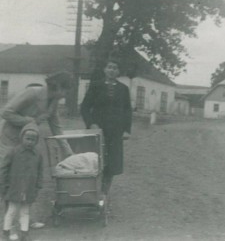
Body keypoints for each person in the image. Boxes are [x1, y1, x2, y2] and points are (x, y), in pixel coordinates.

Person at [0, 71, 73, 230]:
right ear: (58, 86)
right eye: (66, 90)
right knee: (12, 180)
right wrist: (28, 121)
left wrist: (68, 151)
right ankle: (10, 223)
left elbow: (57, 128)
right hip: (10, 140)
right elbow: (6, 112)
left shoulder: (53, 102)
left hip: (29, 143)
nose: (66, 94)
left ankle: (25, 219)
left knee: (28, 180)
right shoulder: (33, 93)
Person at [80, 58, 132, 195]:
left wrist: (126, 130)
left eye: (115, 68)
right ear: (104, 69)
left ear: (119, 71)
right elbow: (85, 107)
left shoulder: (123, 89)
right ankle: (91, 193)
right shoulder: (95, 86)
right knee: (95, 161)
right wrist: (91, 123)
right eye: (109, 67)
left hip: (116, 132)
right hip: (97, 130)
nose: (112, 70)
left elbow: (127, 110)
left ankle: (104, 195)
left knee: (112, 164)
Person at [0, 123, 43, 241]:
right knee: (12, 210)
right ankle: (7, 230)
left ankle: (24, 232)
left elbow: (40, 170)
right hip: (14, 187)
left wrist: (38, 184)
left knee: (25, 211)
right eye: (27, 138)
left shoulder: (38, 155)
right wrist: (3, 184)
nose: (30, 142)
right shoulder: (13, 152)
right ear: (21, 138)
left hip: (29, 188)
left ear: (36, 141)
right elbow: (4, 168)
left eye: (33, 140)